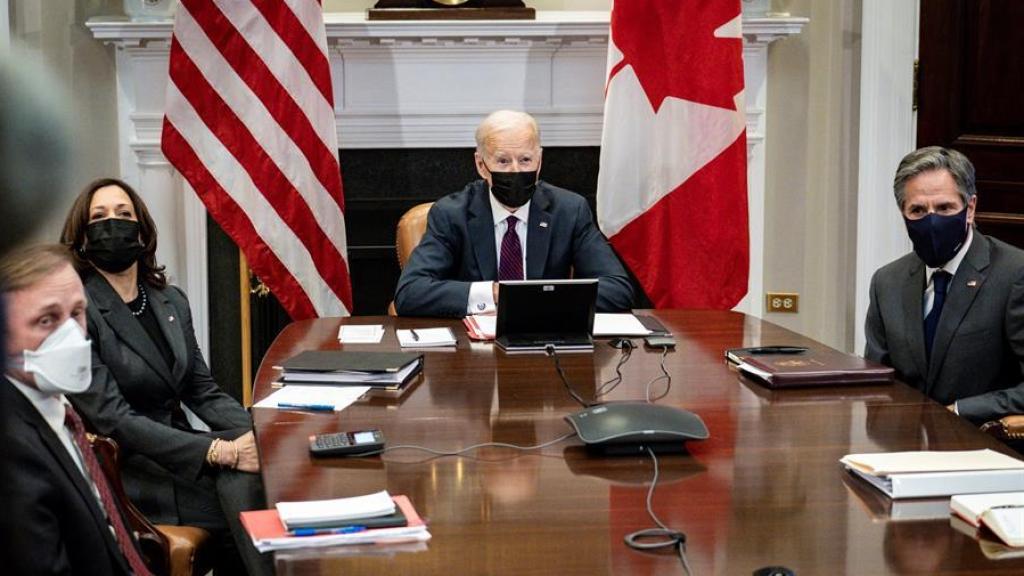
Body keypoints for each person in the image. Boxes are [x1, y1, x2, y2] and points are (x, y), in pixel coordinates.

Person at [60, 178, 270, 576]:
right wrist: (220, 451)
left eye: (124, 214)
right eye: (99, 217)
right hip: (132, 470)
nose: (114, 224)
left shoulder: (168, 300)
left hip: (181, 451)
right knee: (249, 499)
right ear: (82, 238)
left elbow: (202, 391)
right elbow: (113, 418)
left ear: (142, 229)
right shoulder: (77, 310)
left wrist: (265, 434)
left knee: (262, 477)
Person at [394, 110, 634, 317]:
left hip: (548, 346)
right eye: (503, 161)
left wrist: (535, 299)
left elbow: (618, 290)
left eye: (525, 160)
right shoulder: (451, 214)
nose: (516, 170)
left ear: (539, 162)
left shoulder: (569, 210)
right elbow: (411, 293)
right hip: (476, 352)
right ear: (481, 165)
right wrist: (496, 294)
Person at [0, 244, 149, 575]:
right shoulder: (11, 446)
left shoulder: (56, 406)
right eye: (46, 320)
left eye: (77, 313)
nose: (69, 334)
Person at [865, 146, 1024, 423]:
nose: (932, 220)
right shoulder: (887, 282)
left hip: (986, 448)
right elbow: (878, 383)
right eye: (917, 210)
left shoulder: (1014, 274)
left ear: (970, 208)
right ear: (903, 214)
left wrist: (959, 411)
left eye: (944, 208)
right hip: (904, 448)